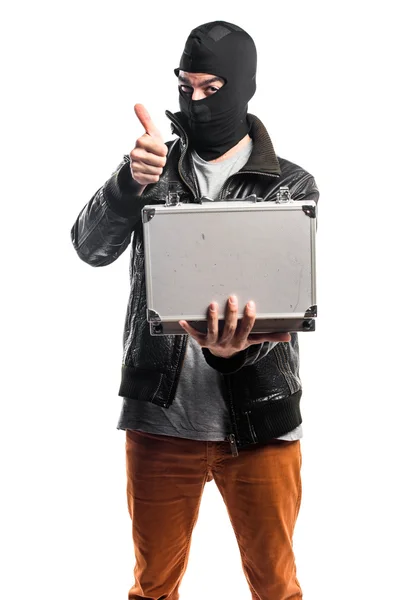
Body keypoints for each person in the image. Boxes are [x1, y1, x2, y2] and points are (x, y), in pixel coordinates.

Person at [71, 20, 319, 600]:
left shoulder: (291, 184)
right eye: (186, 87)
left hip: (262, 420)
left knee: (277, 586)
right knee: (153, 585)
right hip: (161, 417)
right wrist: (128, 185)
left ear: (244, 88)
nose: (196, 102)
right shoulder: (152, 169)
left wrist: (235, 354)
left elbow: (290, 301)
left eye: (212, 89)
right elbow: (89, 248)